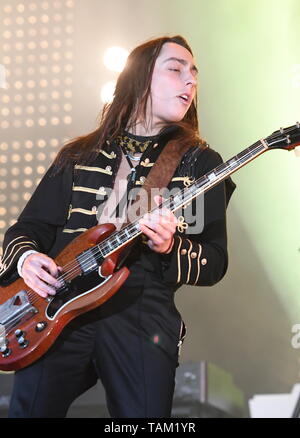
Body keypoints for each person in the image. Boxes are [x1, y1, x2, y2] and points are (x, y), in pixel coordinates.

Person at [0, 35, 235, 418]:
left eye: (194, 73)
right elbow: (27, 229)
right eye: (175, 69)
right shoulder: (79, 154)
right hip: (57, 306)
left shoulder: (199, 162)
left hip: (141, 311)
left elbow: (216, 260)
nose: (190, 81)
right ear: (139, 80)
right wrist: (26, 259)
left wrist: (170, 247)